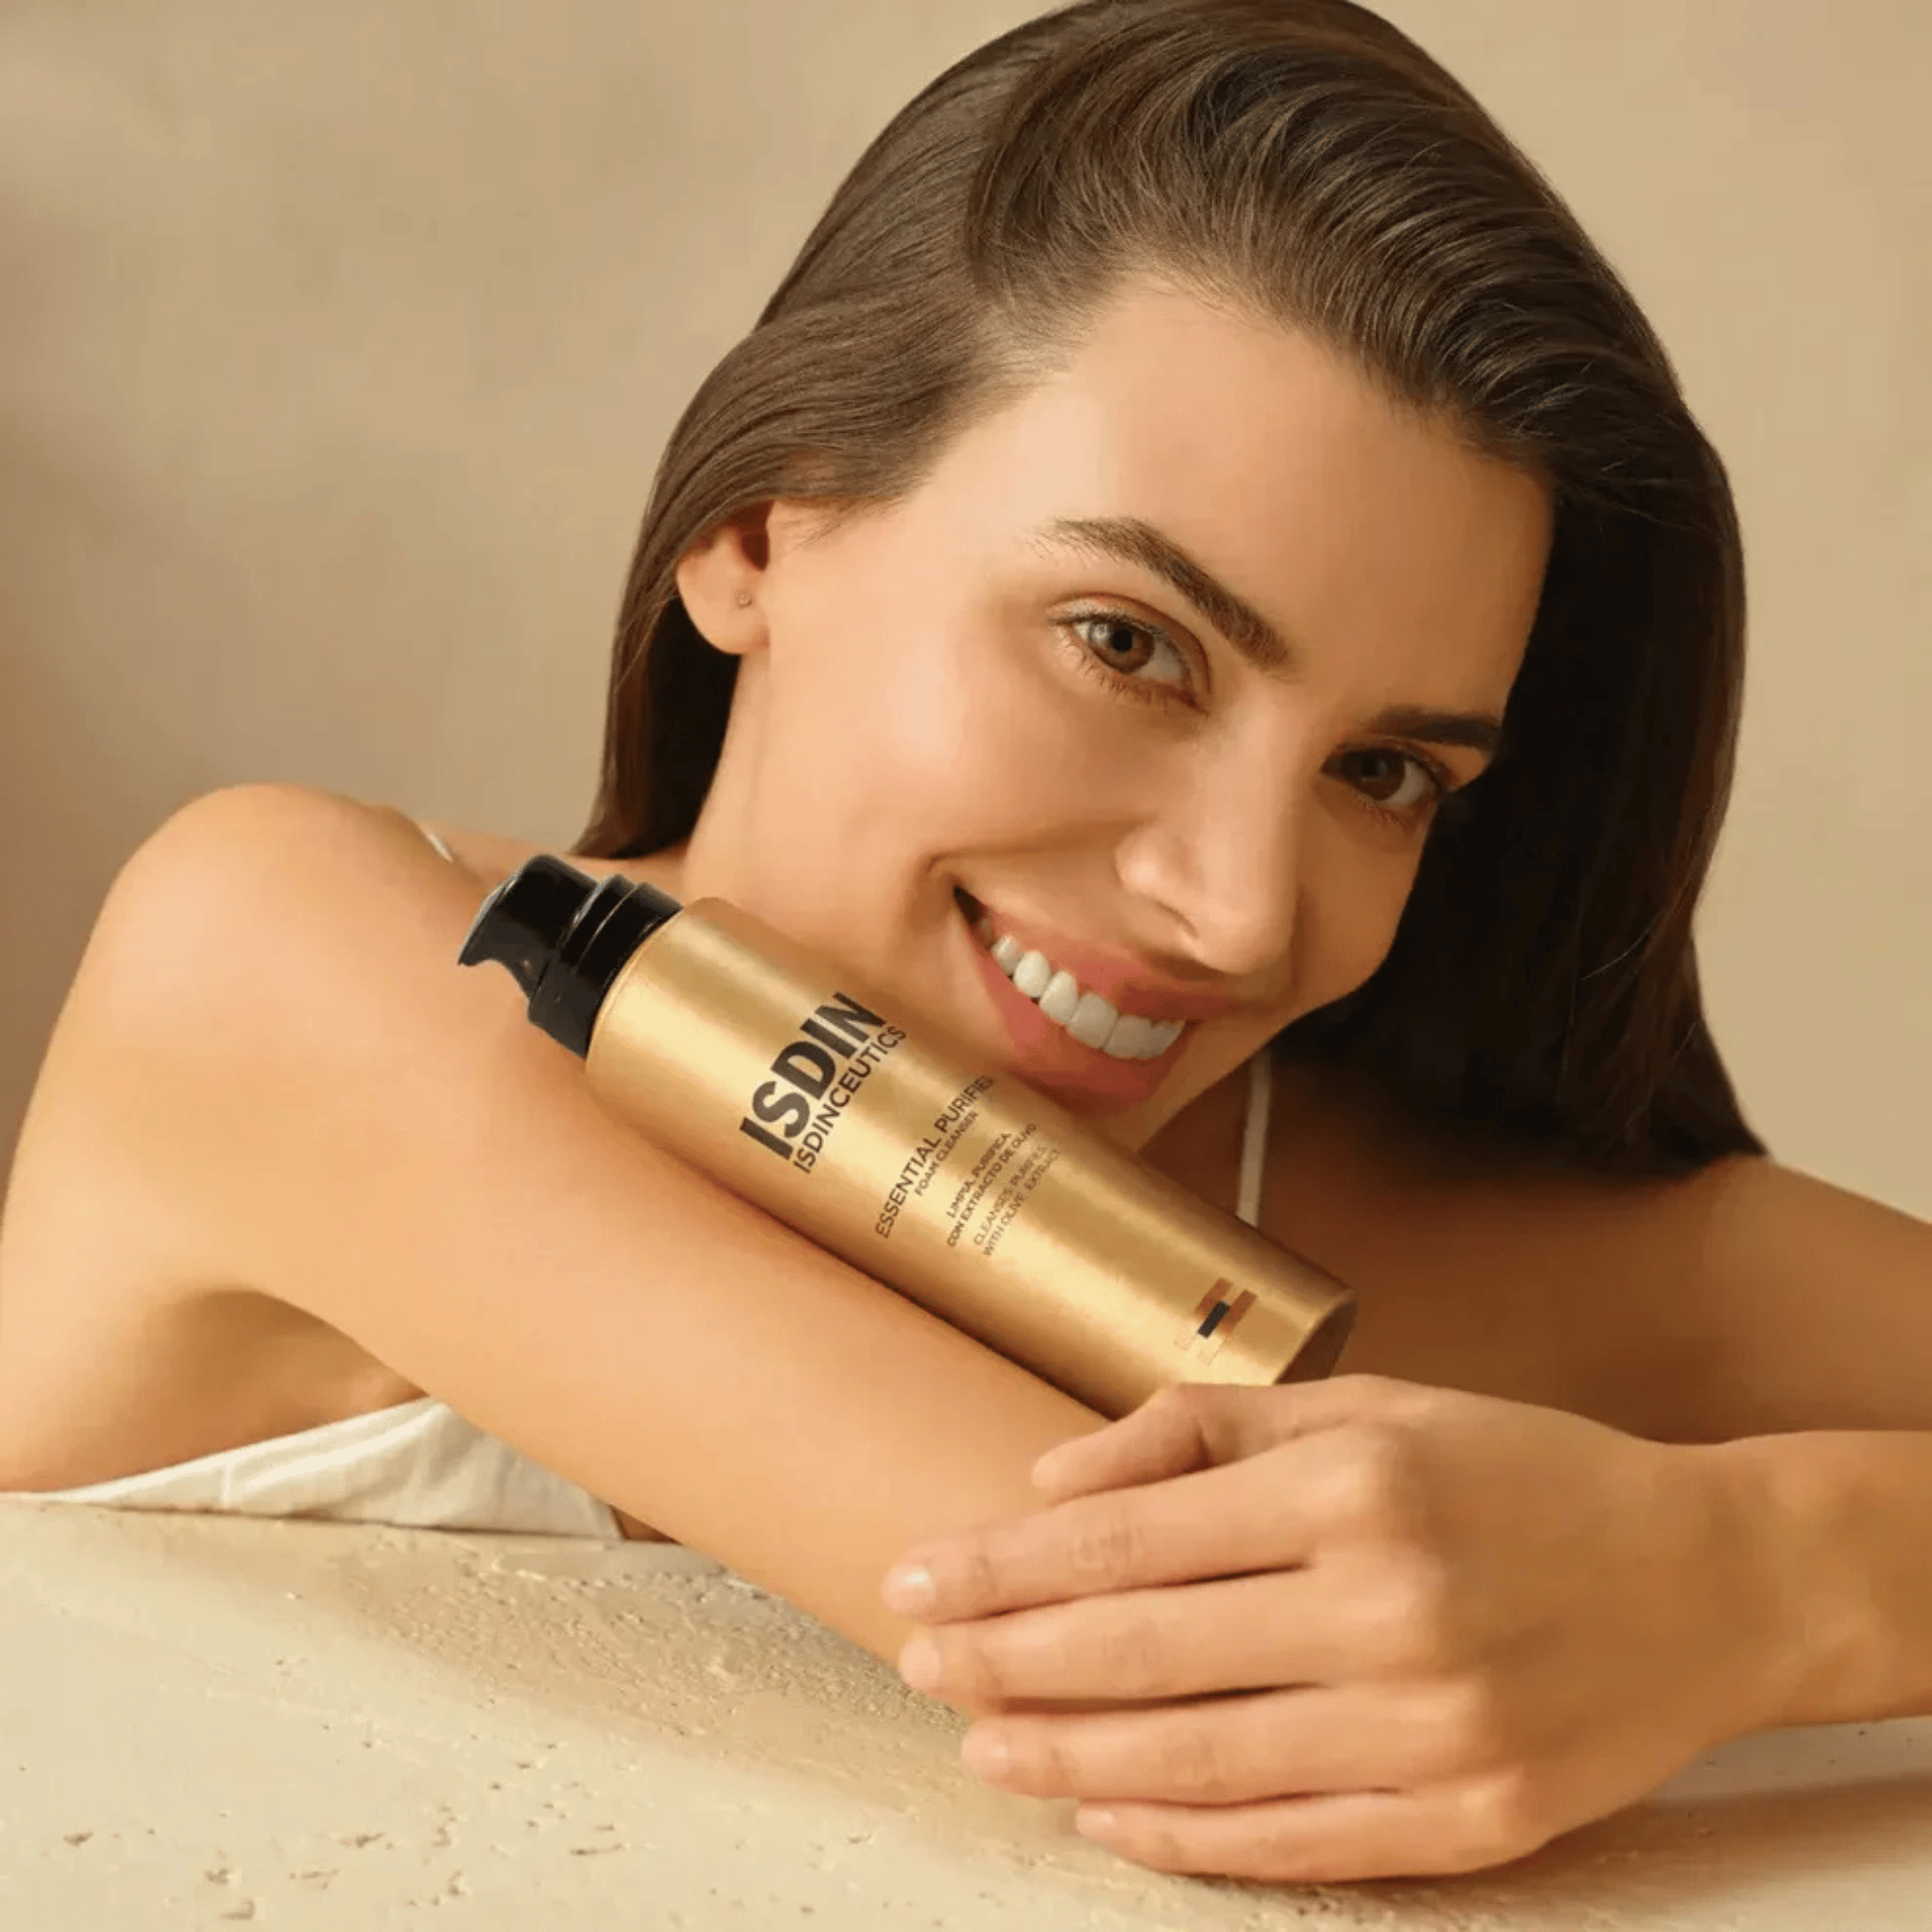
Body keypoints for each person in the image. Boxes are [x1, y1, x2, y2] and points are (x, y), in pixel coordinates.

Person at [2, 0, 1929, 1889]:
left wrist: (1765, 1568)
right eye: (1128, 643)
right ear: (757, 533)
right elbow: (1210, 1652)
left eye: (1383, 771)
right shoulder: (284, 960)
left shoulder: (1323, 1215)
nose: (1243, 909)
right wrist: (1753, 1568)